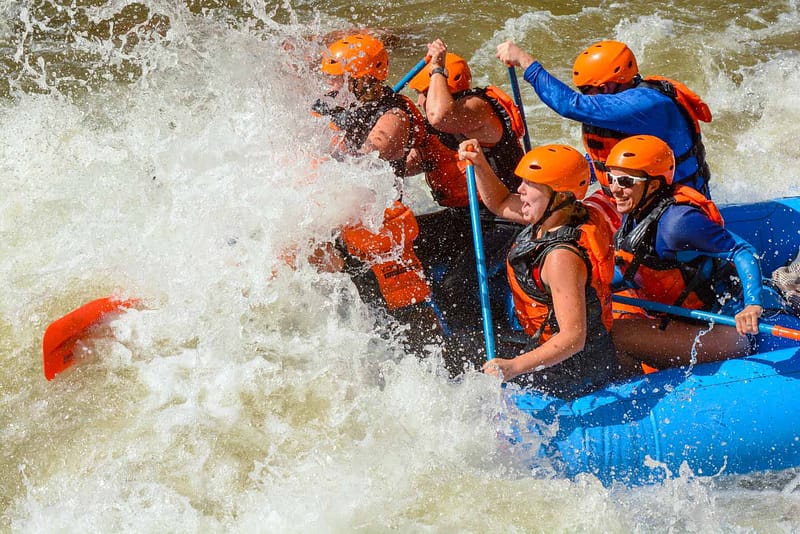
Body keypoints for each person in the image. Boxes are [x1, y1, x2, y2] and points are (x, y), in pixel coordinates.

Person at [310, 33, 445, 353]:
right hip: (342, 220)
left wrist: (326, 143)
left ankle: (434, 367)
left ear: (362, 80)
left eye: (339, 79)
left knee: (407, 318)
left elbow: (361, 166)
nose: (331, 86)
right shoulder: (337, 103)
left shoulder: (394, 117)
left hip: (382, 227)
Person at [458, 140, 621, 399]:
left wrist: (512, 367)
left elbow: (573, 338)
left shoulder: (561, 257)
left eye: (530, 185)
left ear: (561, 196)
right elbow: (500, 203)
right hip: (553, 345)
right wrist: (480, 164)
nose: (520, 190)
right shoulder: (564, 214)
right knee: (462, 343)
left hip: (572, 370)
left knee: (460, 358)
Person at [401, 40, 528, 346]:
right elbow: (416, 161)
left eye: (423, 93)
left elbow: (439, 116)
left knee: (455, 287)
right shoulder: (453, 118)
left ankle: (475, 346)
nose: (420, 101)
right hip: (468, 215)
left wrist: (437, 66)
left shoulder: (476, 109)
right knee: (402, 244)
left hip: (507, 217)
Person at [605, 135, 765, 368]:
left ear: (655, 184)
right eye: (612, 178)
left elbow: (741, 251)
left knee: (613, 334)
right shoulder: (638, 211)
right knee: (600, 319)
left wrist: (752, 304)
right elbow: (631, 270)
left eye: (626, 181)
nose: (615, 189)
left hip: (724, 328)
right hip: (679, 318)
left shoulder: (678, 224)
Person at [495, 39, 713, 199]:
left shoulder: (644, 104)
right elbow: (609, 158)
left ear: (606, 86)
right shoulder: (623, 102)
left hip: (676, 203)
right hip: (634, 195)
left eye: (585, 89)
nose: (583, 94)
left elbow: (569, 105)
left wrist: (525, 61)